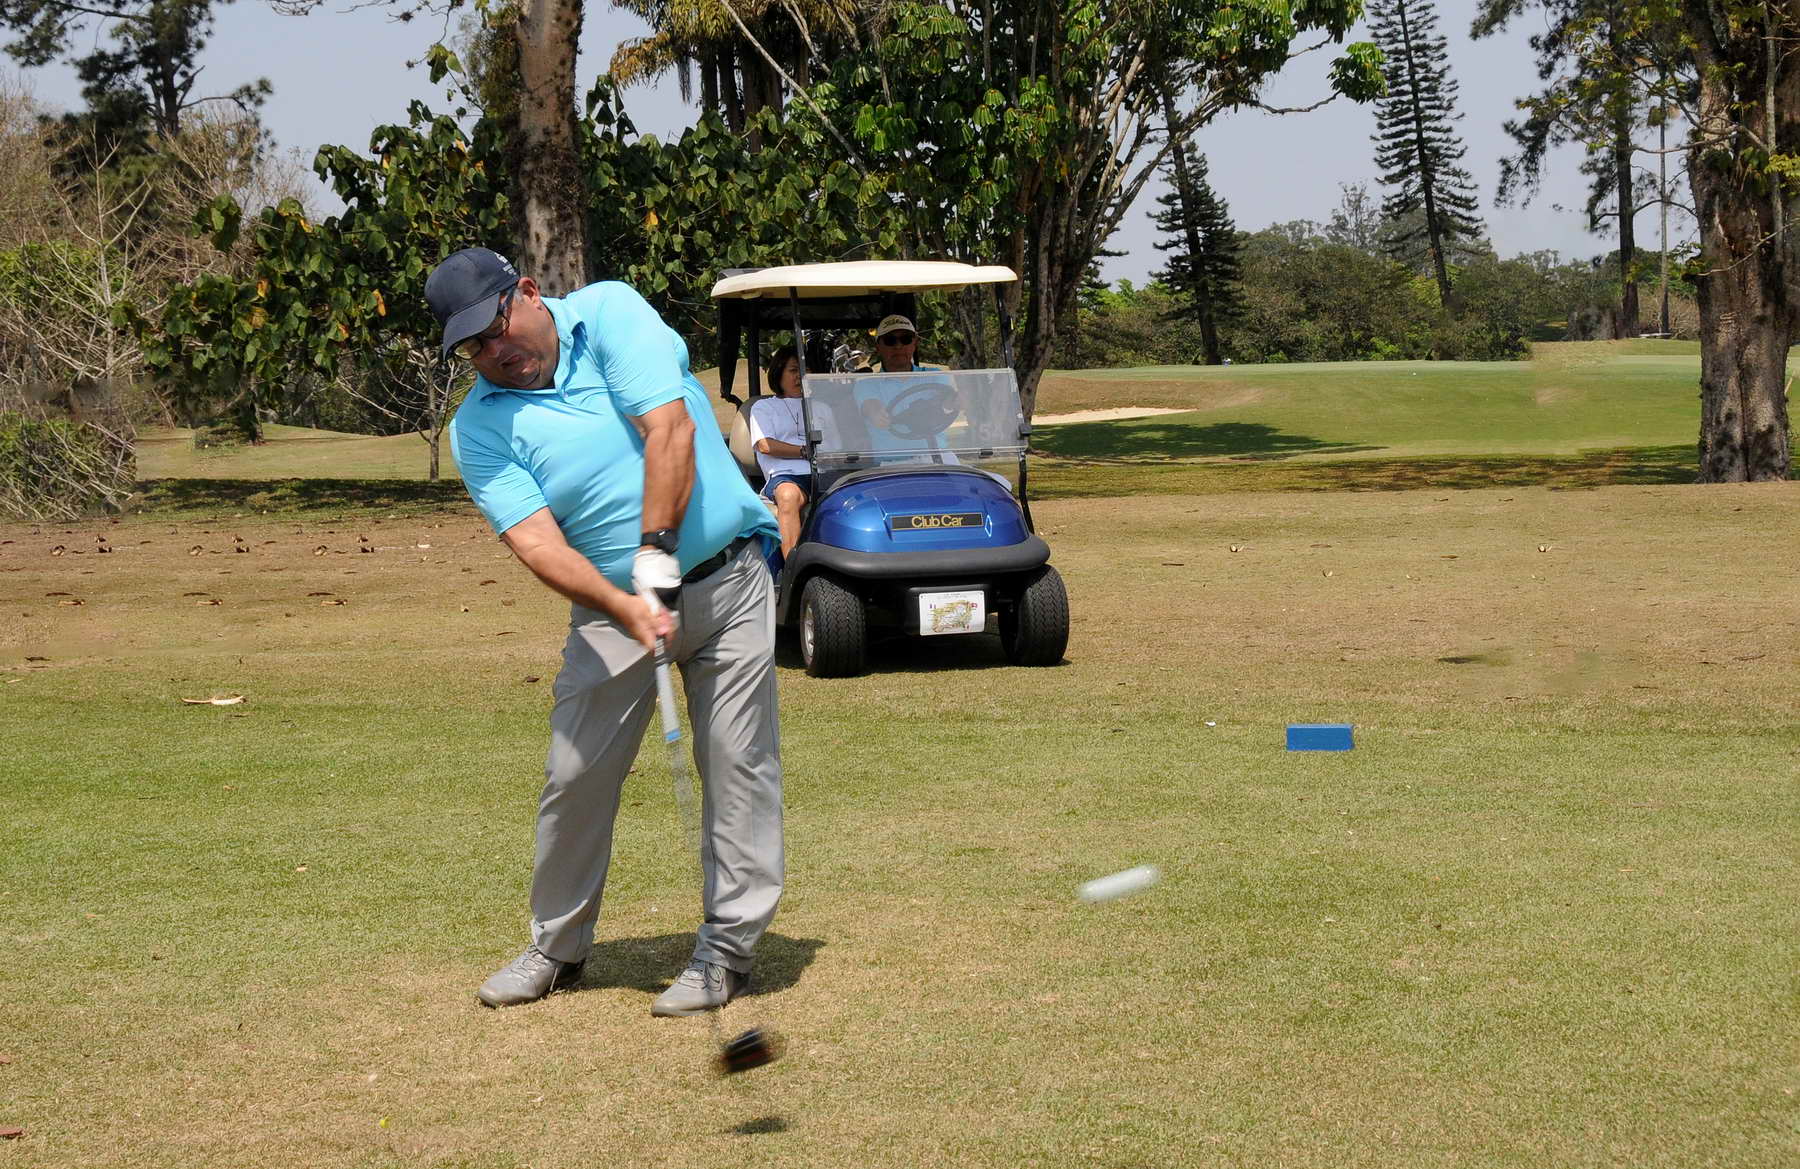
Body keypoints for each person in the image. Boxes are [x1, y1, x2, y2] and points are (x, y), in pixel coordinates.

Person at [428, 247, 784, 1015]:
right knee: (574, 772)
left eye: (497, 327)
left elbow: (669, 430)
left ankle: (726, 951)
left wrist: (655, 549)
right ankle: (556, 946)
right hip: (613, 609)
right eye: (474, 348)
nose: (494, 352)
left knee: (737, 763)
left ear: (527, 292)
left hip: (727, 580)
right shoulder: (479, 427)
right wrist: (625, 603)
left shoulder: (611, 312)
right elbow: (537, 543)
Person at [746, 345, 810, 558]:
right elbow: (765, 445)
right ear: (778, 373)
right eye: (793, 370)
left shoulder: (822, 406)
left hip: (823, 472)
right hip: (788, 476)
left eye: (804, 370)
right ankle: (793, 565)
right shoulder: (763, 408)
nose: (800, 376)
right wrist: (804, 451)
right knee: (787, 495)